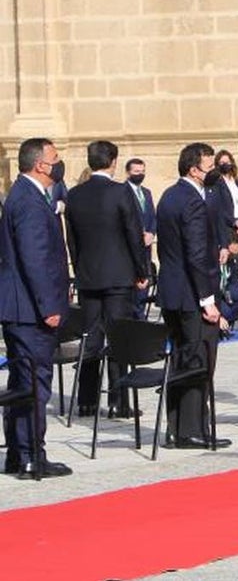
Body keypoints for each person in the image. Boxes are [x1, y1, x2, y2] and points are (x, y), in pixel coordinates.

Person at [0, 138, 73, 479]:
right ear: (40, 165)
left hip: (22, 309)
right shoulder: (28, 200)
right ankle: (31, 456)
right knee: (34, 384)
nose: (59, 164)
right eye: (55, 159)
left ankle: (19, 452)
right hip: (30, 310)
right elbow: (35, 258)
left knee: (23, 380)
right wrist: (48, 306)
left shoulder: (27, 195)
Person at [64, 140, 149, 419]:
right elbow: (133, 233)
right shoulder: (121, 192)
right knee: (118, 337)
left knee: (90, 337)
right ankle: (118, 400)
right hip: (118, 276)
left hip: (89, 277)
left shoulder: (74, 195)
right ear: (113, 162)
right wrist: (141, 271)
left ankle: (86, 402)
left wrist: (80, 269)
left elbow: (72, 240)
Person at [156, 142, 231, 450]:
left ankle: (176, 429)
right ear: (193, 169)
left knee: (181, 359)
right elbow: (197, 255)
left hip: (173, 291)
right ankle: (193, 429)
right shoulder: (191, 202)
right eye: (209, 166)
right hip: (191, 294)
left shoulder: (170, 196)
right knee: (199, 360)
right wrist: (207, 300)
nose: (213, 171)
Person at [125, 158, 157, 320]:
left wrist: (151, 233)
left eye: (142, 171)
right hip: (132, 247)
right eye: (136, 172)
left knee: (144, 287)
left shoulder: (146, 192)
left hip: (146, 247)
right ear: (128, 172)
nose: (140, 175)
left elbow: (152, 216)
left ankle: (141, 315)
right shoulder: (123, 192)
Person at [208, 149, 238, 247]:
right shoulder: (217, 182)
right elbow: (219, 207)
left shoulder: (237, 181)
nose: (225, 165)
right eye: (221, 163)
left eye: (227, 162)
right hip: (226, 226)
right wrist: (235, 222)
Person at [217, 232, 238, 331]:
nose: (233, 256)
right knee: (227, 312)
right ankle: (221, 320)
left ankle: (226, 320)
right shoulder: (214, 259)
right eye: (231, 253)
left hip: (226, 289)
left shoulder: (231, 261)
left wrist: (232, 295)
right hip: (214, 293)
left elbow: (233, 281)